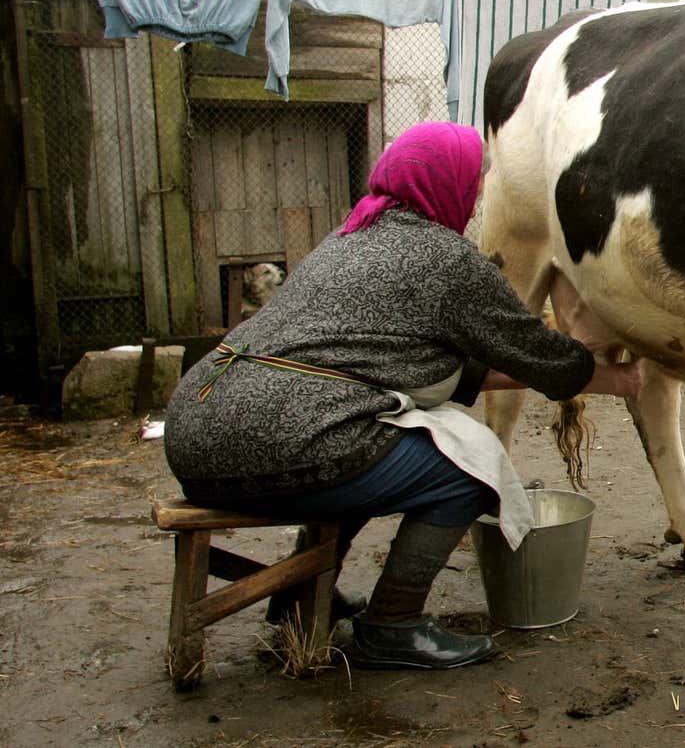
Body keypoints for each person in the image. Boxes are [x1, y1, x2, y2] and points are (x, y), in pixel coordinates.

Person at [163, 121, 639, 670]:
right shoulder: (447, 261)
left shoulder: (345, 239)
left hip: (194, 432)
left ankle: (301, 594)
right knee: (468, 468)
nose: (479, 193)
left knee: (364, 446)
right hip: (284, 441)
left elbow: (424, 366)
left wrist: (609, 380)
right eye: (475, 182)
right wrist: (612, 363)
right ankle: (393, 622)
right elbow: (541, 357)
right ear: (448, 185)